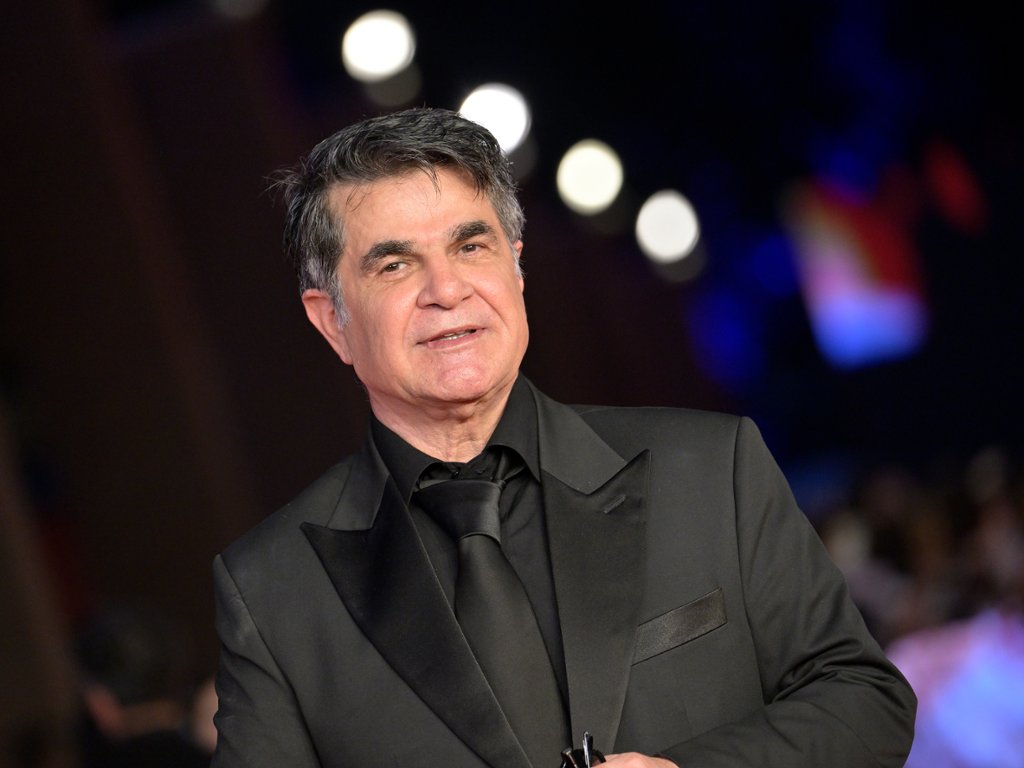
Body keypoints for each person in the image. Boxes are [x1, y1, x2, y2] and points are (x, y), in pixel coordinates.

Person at [210, 106, 916, 767]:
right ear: (331, 320)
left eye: (471, 245)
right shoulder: (271, 591)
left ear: (516, 268)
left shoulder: (710, 468)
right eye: (394, 264)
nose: (446, 290)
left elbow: (864, 700)